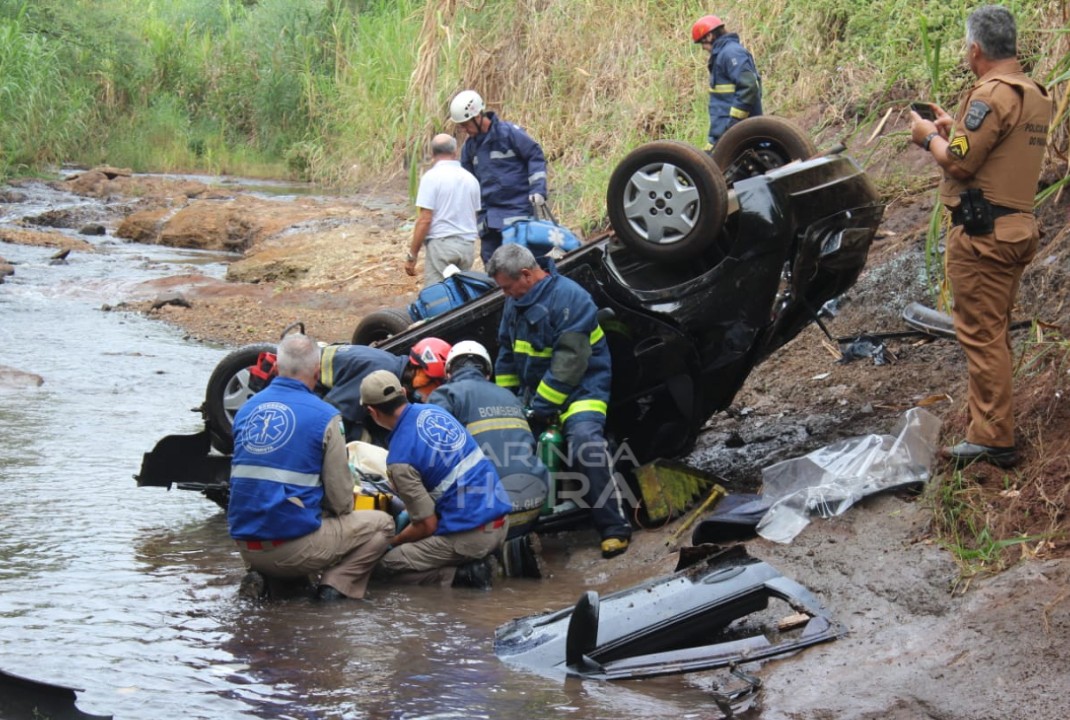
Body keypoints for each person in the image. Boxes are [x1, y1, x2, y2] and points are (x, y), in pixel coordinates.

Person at [910, 5, 1050, 469]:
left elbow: (961, 163)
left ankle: (993, 438)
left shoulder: (990, 94)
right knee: (994, 332)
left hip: (983, 238)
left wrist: (928, 137)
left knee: (981, 334)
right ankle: (990, 425)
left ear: (975, 49)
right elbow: (990, 149)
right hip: (1015, 230)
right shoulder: (1032, 92)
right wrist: (956, 129)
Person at [485, 243, 632, 558]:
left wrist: (539, 410)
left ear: (526, 274)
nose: (505, 295)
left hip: (582, 390)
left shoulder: (571, 299)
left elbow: (570, 364)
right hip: (536, 395)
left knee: (585, 444)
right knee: (506, 450)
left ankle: (614, 528)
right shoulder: (515, 302)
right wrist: (509, 405)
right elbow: (507, 357)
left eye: (508, 287)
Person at [226, 333, 395, 602]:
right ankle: (335, 588)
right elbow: (341, 501)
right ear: (317, 372)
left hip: (246, 546)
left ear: (278, 367)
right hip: (290, 550)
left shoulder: (246, 410)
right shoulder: (326, 416)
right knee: (382, 524)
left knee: (296, 508)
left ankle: (270, 581)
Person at [361, 369, 513, 587]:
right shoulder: (435, 411)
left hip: (473, 536)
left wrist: (393, 542)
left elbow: (426, 525)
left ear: (372, 411)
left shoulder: (399, 459)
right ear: (403, 392)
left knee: (382, 567)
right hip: (501, 521)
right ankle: (493, 558)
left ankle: (462, 577)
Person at [428, 340, 549, 522]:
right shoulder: (509, 396)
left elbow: (430, 452)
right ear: (487, 374)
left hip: (488, 515)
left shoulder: (445, 395)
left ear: (448, 372)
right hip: (533, 503)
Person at [449, 89, 548, 266]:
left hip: (517, 213)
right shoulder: (469, 148)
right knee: (494, 267)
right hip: (488, 221)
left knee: (519, 265)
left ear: (478, 116)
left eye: (466, 124)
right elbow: (467, 183)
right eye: (461, 126)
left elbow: (535, 156)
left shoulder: (509, 134)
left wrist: (538, 190)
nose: (464, 130)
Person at [318, 337, 452, 445]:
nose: (434, 391)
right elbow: (332, 417)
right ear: (420, 373)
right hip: (311, 385)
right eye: (435, 383)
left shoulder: (396, 373)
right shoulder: (378, 375)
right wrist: (371, 446)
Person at [404, 133, 481, 286]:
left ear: (432, 153)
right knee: (462, 292)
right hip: (467, 246)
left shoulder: (431, 178)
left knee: (438, 295)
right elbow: (475, 214)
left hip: (442, 246)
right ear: (455, 152)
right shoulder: (470, 179)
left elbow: (425, 219)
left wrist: (412, 254)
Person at [691, 14, 763, 150]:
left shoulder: (731, 53)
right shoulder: (722, 55)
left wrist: (735, 124)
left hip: (735, 132)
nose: (703, 48)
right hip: (723, 133)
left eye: (702, 42)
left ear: (710, 36)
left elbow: (749, 86)